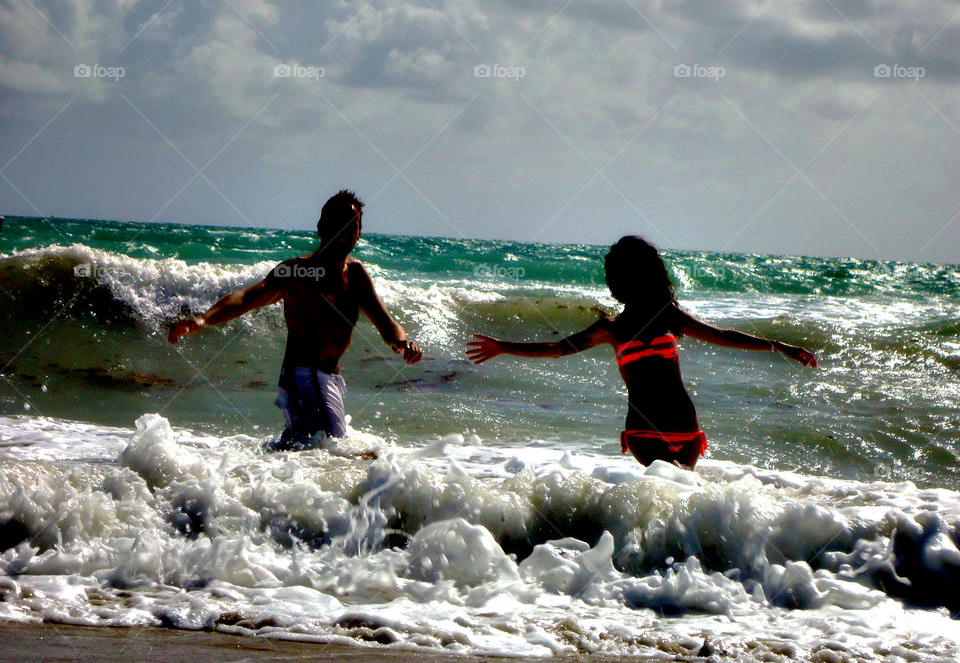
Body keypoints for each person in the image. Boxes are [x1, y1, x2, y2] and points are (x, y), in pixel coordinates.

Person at [466, 236, 816, 469]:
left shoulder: (669, 316)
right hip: (644, 433)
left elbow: (722, 335)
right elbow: (557, 349)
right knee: (666, 500)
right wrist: (502, 347)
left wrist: (778, 345)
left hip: (686, 431)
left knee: (679, 502)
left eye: (613, 273)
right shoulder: (610, 328)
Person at [169, 190, 422, 449]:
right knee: (334, 452)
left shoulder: (356, 274)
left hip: (328, 379)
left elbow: (386, 322)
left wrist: (401, 343)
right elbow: (247, 297)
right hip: (304, 377)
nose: (346, 231)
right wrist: (203, 320)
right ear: (322, 227)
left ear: (359, 231)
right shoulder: (298, 270)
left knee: (301, 454)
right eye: (339, 223)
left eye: (352, 225)